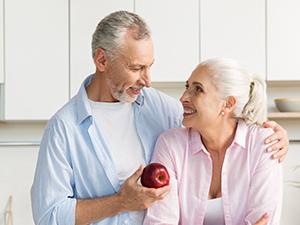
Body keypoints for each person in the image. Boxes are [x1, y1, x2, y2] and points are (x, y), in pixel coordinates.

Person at [30, 11, 288, 225]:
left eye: (149, 66)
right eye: (136, 68)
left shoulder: (161, 108)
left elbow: (214, 123)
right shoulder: (63, 128)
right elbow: (49, 215)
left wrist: (274, 135)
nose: (147, 80)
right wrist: (120, 202)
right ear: (102, 60)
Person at [143, 58, 283, 225]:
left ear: (228, 103)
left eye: (198, 89)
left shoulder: (264, 143)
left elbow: (263, 221)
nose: (183, 97)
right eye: (187, 87)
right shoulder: (170, 144)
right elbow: (160, 221)